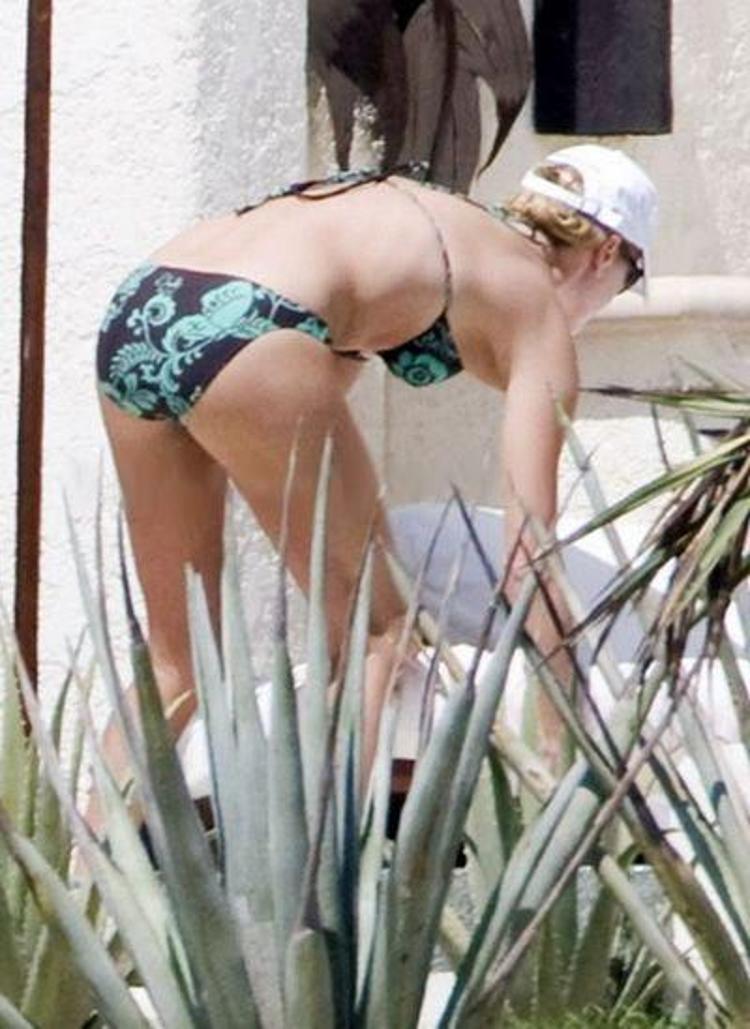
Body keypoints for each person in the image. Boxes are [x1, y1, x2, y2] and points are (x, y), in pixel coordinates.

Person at [94, 143, 658, 792]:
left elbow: (309, 372)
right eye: (628, 283)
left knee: (177, 663)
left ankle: (84, 852)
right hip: (253, 323)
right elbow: (529, 561)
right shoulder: (533, 304)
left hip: (145, 305)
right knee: (379, 634)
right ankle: (323, 856)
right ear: (605, 253)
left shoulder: (433, 223)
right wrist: (560, 743)